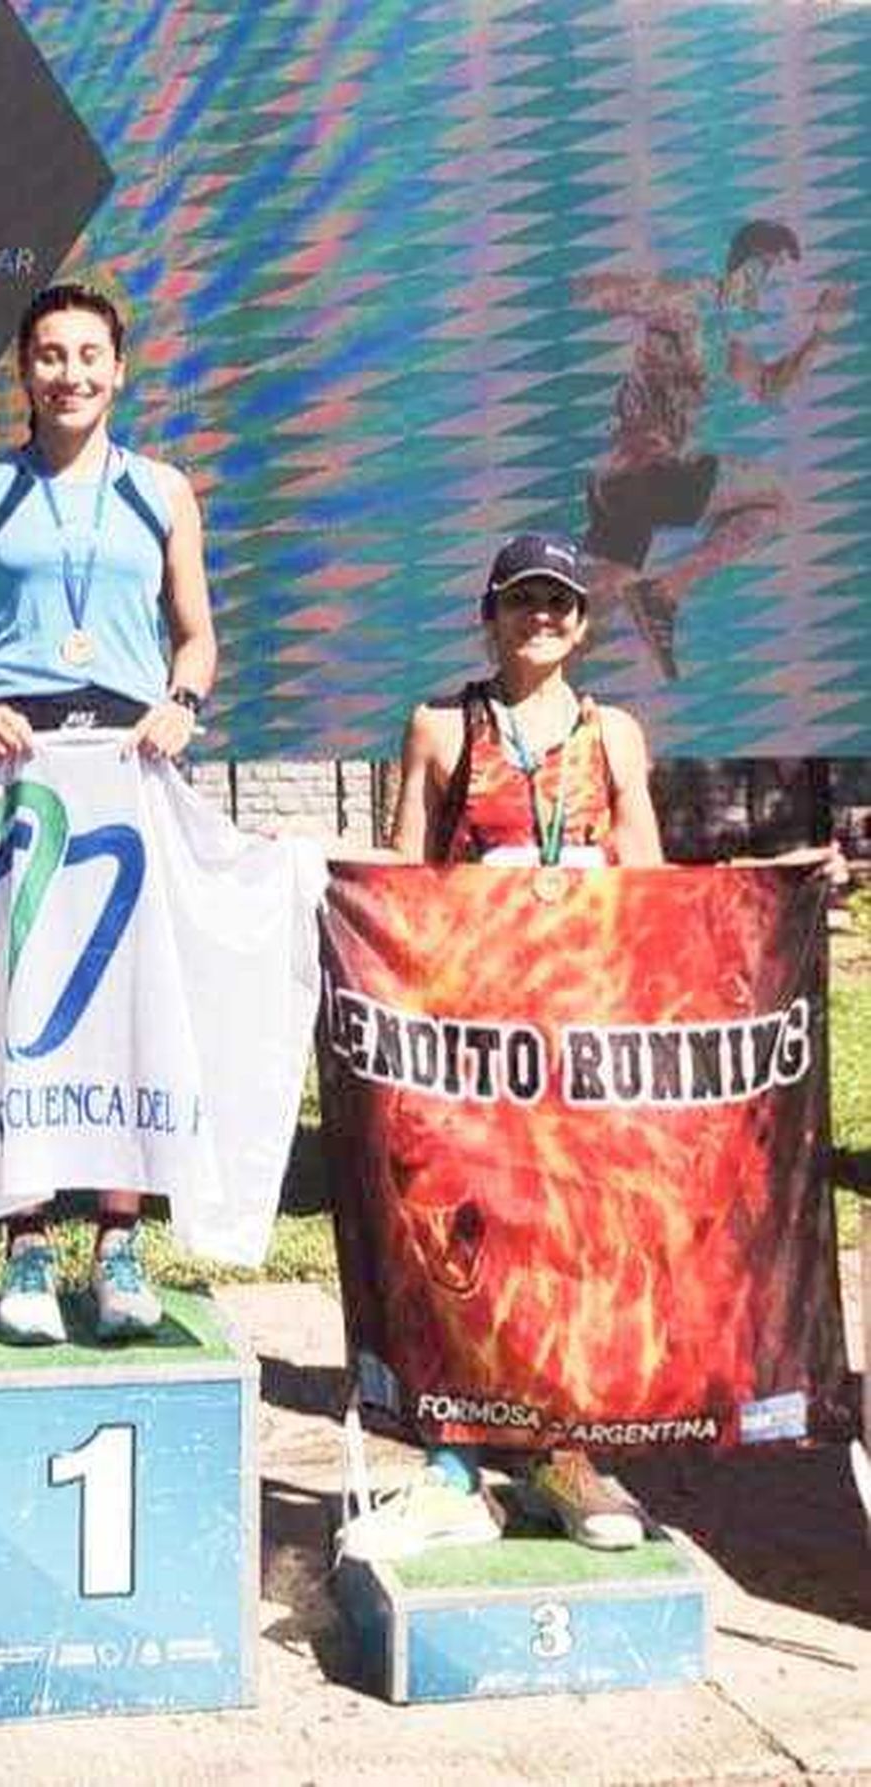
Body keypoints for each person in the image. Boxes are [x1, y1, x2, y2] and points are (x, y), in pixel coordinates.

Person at [0, 282, 216, 1344]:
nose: (70, 373)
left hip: (130, 759)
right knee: (20, 995)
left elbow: (197, 636)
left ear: (120, 369)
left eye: (90, 355)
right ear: (24, 371)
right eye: (50, 355)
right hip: (20, 756)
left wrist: (181, 703)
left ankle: (121, 1240)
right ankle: (27, 1238)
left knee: (123, 996)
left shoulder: (162, 491)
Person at [384, 530, 663, 1550]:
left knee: (569, 1240)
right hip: (472, 1032)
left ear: (583, 623)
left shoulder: (614, 734)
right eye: (523, 601)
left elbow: (655, 891)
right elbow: (401, 882)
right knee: (465, 1237)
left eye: (561, 603)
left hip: (579, 1034)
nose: (541, 618)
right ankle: (453, 1461)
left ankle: (561, 1455)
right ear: (491, 613)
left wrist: (771, 883)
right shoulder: (440, 727)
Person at [577, 220, 850, 679]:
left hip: (639, 490)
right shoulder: (687, 300)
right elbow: (596, 291)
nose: (770, 291)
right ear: (746, 266)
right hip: (637, 472)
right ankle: (663, 592)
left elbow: (767, 385)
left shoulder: (726, 339)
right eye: (769, 273)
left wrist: (819, 336)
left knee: (589, 620)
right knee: (775, 499)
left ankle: (539, 703)